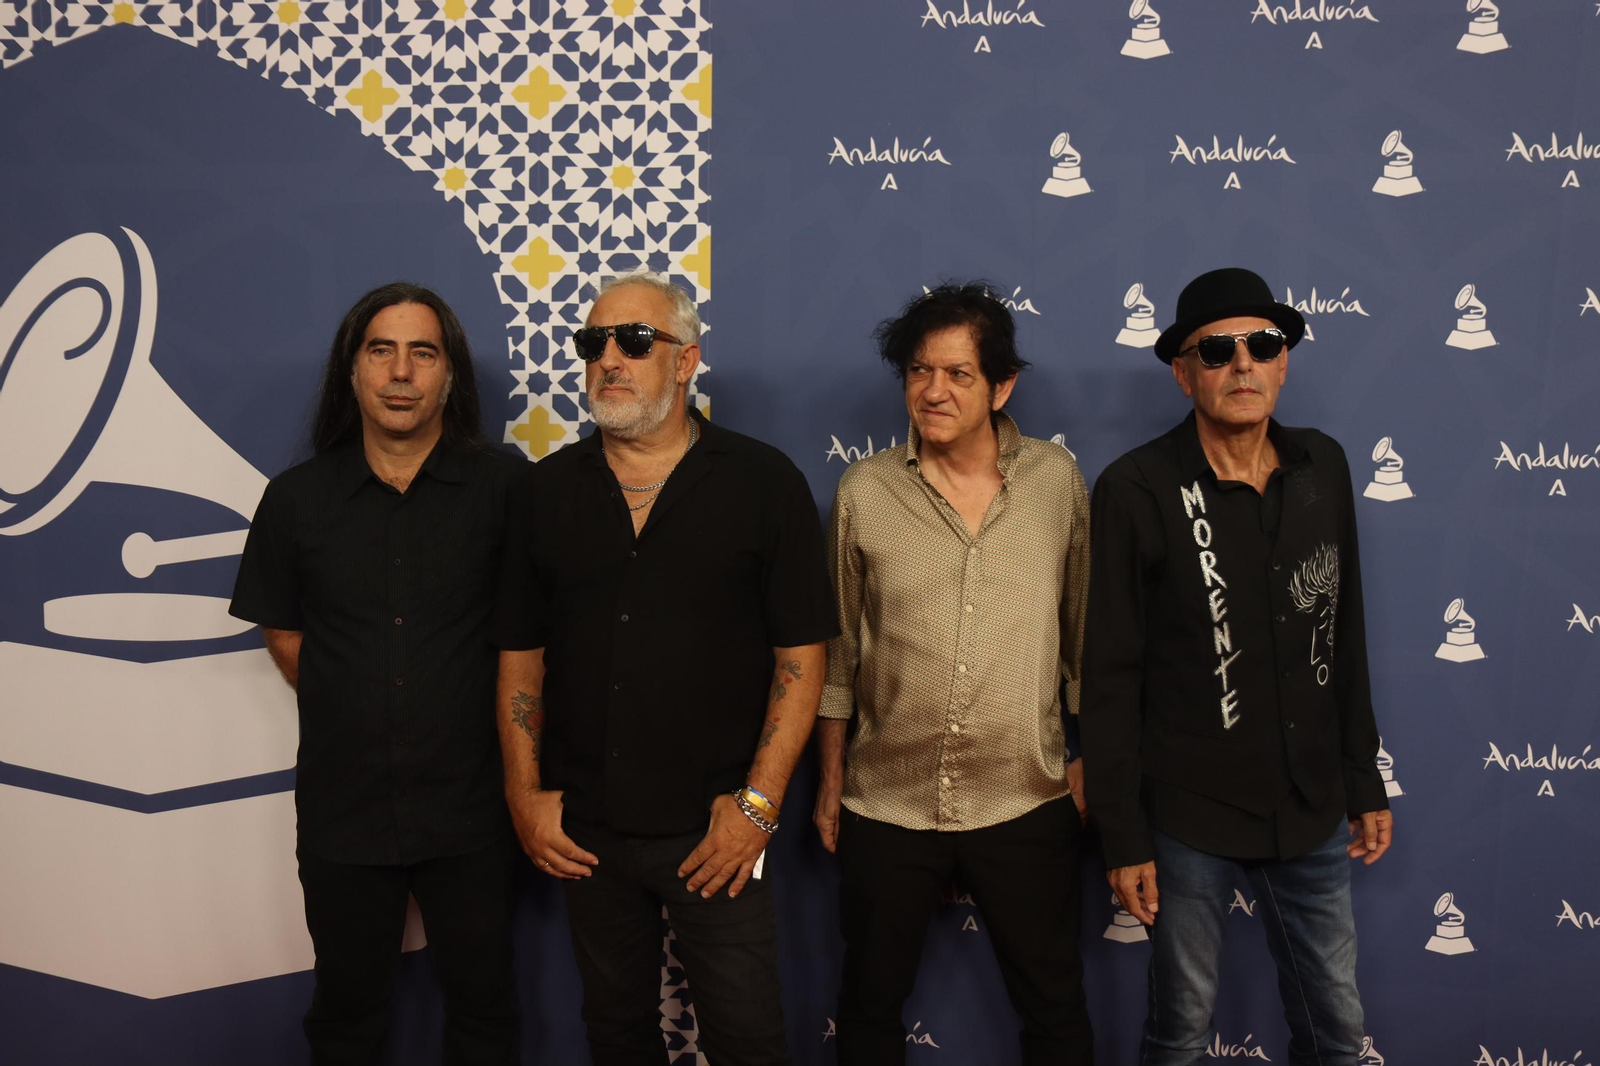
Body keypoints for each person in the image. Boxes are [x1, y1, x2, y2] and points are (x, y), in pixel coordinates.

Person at [493, 272, 837, 1066]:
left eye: (635, 341)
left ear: (686, 361)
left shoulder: (762, 482)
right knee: (615, 1037)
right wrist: (523, 792)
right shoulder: (544, 493)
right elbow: (520, 655)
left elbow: (802, 656)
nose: (610, 359)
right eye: (594, 344)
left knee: (748, 1041)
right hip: (587, 832)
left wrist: (757, 806)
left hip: (717, 829)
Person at [1080, 267, 1394, 1066]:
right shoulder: (1135, 488)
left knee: (1337, 1027)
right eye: (1216, 351)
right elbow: (1110, 675)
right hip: (1189, 814)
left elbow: (1342, 628)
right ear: (1184, 374)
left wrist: (1363, 779)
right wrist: (1122, 835)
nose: (1243, 364)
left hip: (1313, 803)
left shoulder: (1324, 467)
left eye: (1263, 345)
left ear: (1285, 361)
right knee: (1181, 1028)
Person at [230, 282, 524, 1065]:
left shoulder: (506, 489)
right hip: (344, 812)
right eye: (381, 351)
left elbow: (533, 640)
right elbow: (286, 633)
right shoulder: (295, 500)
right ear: (352, 372)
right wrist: (363, 700)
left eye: (422, 353)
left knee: (486, 1012)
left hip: (475, 813)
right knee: (346, 1020)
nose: (401, 371)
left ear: (449, 375)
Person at [815, 282, 1094, 1065]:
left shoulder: (1056, 484)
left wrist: (1087, 759)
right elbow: (837, 656)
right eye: (917, 371)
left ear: (1003, 385)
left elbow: (1086, 645)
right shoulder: (863, 492)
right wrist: (832, 781)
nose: (931, 391)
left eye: (958, 374)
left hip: (1025, 796)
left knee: (1056, 1008)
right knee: (867, 1008)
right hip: (886, 800)